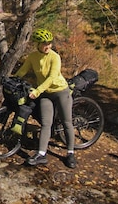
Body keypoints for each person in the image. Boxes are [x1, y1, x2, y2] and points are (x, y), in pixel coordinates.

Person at [12, 28, 77, 169]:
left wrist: (37, 91)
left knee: (67, 122)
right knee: (46, 124)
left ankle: (70, 153)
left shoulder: (55, 57)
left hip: (60, 91)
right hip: (46, 94)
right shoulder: (33, 56)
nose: (47, 46)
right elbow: (23, 70)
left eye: (49, 43)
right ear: (38, 44)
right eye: (44, 43)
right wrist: (13, 79)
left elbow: (52, 77)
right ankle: (41, 154)